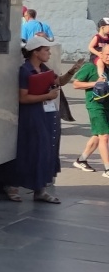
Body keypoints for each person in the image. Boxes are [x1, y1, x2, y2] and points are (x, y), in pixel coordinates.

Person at [9, 34, 62, 203]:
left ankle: (41, 189)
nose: (49, 53)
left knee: (46, 150)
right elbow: (23, 97)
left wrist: (72, 71)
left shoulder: (44, 69)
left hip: (45, 114)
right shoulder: (25, 71)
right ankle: (13, 185)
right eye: (46, 50)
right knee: (30, 150)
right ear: (36, 52)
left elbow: (58, 81)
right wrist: (47, 96)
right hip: (31, 115)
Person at [70, 45, 109, 175]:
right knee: (104, 136)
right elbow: (76, 84)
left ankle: (82, 160)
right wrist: (95, 83)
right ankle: (107, 169)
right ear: (101, 54)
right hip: (95, 106)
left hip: (107, 105)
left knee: (97, 136)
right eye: (107, 54)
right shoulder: (90, 67)